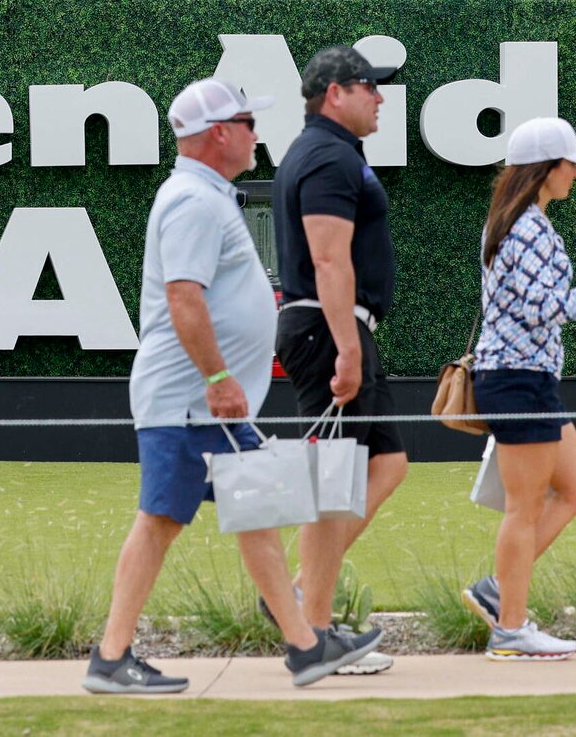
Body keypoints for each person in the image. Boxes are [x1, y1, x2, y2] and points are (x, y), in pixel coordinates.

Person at [85, 77, 383, 694]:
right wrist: (217, 378)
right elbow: (182, 296)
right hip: (192, 402)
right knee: (161, 519)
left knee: (258, 515)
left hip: (211, 406)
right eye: (248, 123)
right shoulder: (193, 201)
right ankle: (111, 658)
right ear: (220, 132)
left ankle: (305, 645)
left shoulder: (206, 195)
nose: (256, 133)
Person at [464, 116, 576, 660]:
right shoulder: (528, 228)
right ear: (546, 169)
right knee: (525, 506)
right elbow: (543, 309)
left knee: (575, 487)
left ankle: (499, 593)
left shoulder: (517, 221)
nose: (575, 174)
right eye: (570, 164)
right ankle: (510, 627)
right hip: (520, 379)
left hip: (526, 379)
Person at [271, 44, 408, 645]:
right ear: (335, 93)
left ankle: (302, 591)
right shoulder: (326, 157)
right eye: (369, 86)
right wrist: (348, 350)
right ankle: (313, 626)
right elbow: (328, 259)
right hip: (329, 330)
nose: (380, 97)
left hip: (338, 327)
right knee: (334, 481)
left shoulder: (334, 153)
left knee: (388, 464)